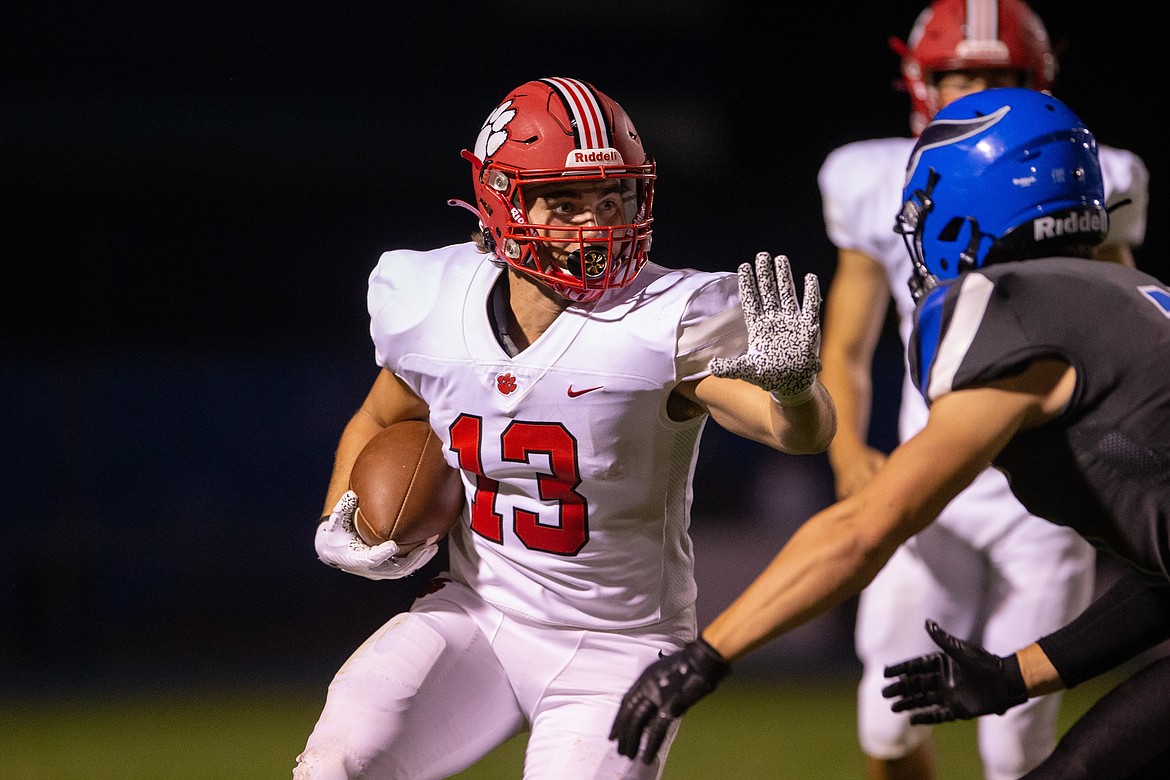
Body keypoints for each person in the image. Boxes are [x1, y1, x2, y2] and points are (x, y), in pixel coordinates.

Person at [609, 87, 1170, 780]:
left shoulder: (1018, 312)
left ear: (979, 202)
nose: (917, 224)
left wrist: (709, 653)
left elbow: (869, 528)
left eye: (930, 200)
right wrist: (1014, 676)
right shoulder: (1125, 300)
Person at [293, 76, 836, 779]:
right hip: (477, 615)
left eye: (612, 198)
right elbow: (385, 413)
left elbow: (798, 433)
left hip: (620, 646)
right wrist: (345, 514)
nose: (597, 223)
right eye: (566, 202)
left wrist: (795, 391)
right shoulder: (434, 301)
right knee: (336, 762)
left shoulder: (666, 320)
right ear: (501, 200)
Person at [814, 1, 1149, 777]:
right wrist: (848, 454)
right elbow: (849, 342)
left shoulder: (1092, 171)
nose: (977, 90)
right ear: (920, 79)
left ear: (1037, 79)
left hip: (1052, 497)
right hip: (934, 475)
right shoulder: (872, 179)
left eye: (998, 75)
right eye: (962, 73)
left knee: (1015, 744)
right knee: (891, 720)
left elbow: (1127, 335)